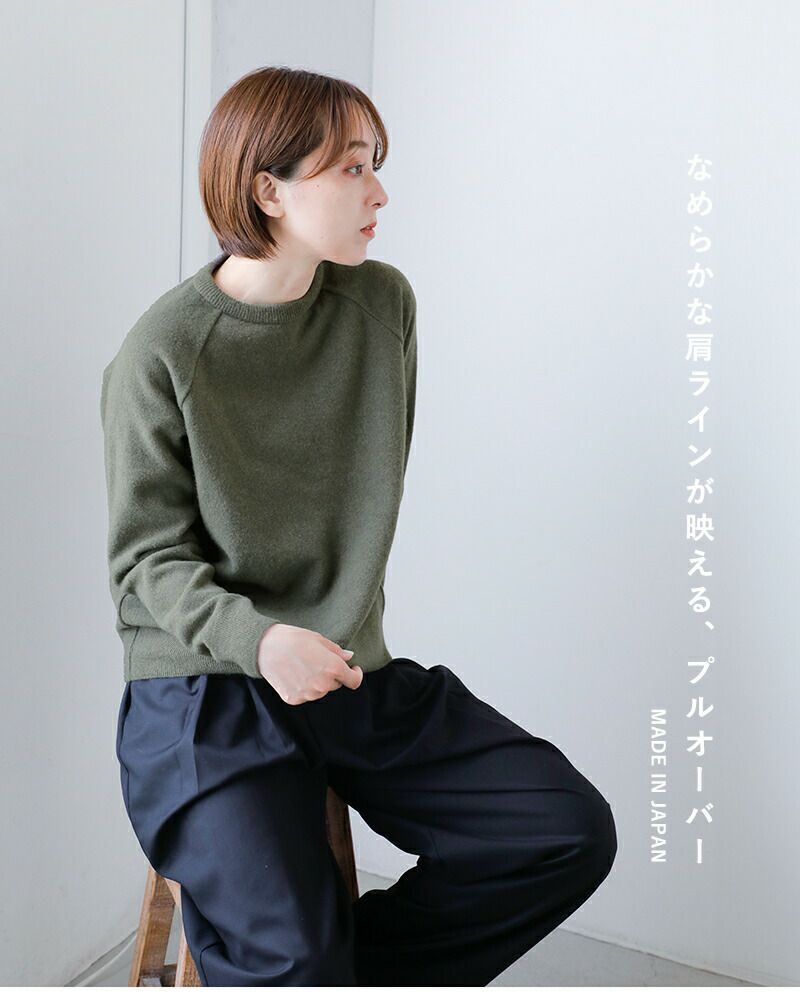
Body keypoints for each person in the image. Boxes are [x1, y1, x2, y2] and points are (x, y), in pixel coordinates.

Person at [101, 65, 617, 987]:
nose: (379, 192)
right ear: (269, 190)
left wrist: (322, 640)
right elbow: (146, 561)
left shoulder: (381, 308)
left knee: (564, 831)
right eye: (352, 167)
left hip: (347, 672)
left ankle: (350, 977)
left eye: (377, 164)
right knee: (293, 956)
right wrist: (262, 641)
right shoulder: (163, 351)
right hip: (205, 693)